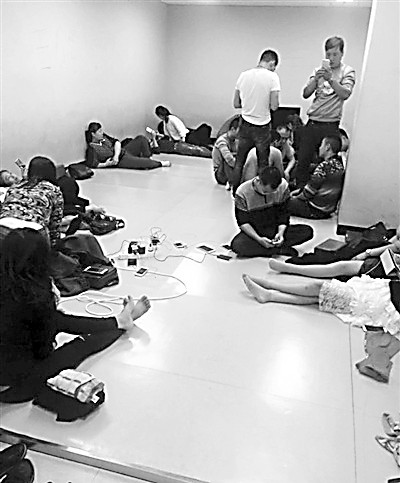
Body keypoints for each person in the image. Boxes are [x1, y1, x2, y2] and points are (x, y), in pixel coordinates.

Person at [0, 228, 151, 403]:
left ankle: (121, 321)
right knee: (80, 345)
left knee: (53, 323)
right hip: (17, 385)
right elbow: (46, 346)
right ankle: (122, 322)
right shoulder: (34, 296)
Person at [295, 36, 355, 188]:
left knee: (327, 165)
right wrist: (315, 79)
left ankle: (321, 195)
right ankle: (300, 191)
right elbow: (305, 94)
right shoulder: (318, 71)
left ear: (342, 54)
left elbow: (345, 94)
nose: (331, 58)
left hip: (330, 125)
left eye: (335, 54)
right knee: (303, 161)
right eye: (328, 54)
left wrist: (331, 80)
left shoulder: (347, 71)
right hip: (313, 122)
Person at [261, 224, 400, 280]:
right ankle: (296, 264)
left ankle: (293, 267)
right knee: (340, 256)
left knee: (340, 265)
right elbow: (394, 242)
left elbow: (396, 247)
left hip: (387, 262)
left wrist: (368, 253)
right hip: (385, 253)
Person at [230, 166, 313, 258]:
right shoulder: (242, 192)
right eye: (265, 191)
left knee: (307, 231)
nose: (269, 194)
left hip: (275, 228)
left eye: (273, 192)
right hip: (256, 230)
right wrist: (259, 239)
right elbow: (243, 222)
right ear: (258, 181)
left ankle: (270, 248)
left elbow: (284, 214)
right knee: (237, 245)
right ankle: (277, 250)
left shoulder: (283, 187)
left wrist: (280, 233)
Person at [232, 49, 281, 193]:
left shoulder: (243, 75)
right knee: (263, 164)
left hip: (245, 123)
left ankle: (236, 192)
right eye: (274, 67)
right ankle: (260, 193)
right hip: (262, 126)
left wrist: (249, 104)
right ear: (272, 63)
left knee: (239, 161)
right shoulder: (272, 77)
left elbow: (236, 103)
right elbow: (274, 106)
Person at [0, 157, 64, 248]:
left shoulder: (14, 187)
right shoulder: (54, 190)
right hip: (33, 232)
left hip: (3, 227)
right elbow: (55, 225)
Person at [288, 134, 345, 219]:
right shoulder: (339, 166)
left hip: (314, 209)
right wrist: (299, 191)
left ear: (327, 147)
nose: (319, 148)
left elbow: (308, 193)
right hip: (328, 210)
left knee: (284, 203)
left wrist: (295, 197)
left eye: (321, 145)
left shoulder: (324, 166)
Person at [85, 122, 171, 170]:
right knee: (143, 163)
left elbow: (117, 142)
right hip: (120, 160)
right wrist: (107, 164)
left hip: (122, 152)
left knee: (141, 139)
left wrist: (116, 155)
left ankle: (148, 157)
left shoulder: (104, 137)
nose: (102, 133)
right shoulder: (92, 148)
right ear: (93, 134)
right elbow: (93, 164)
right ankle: (159, 163)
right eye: (99, 132)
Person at [212, 117, 240, 186]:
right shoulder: (222, 141)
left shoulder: (235, 141)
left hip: (229, 169)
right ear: (233, 129)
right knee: (228, 159)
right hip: (220, 174)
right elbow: (229, 159)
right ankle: (232, 182)